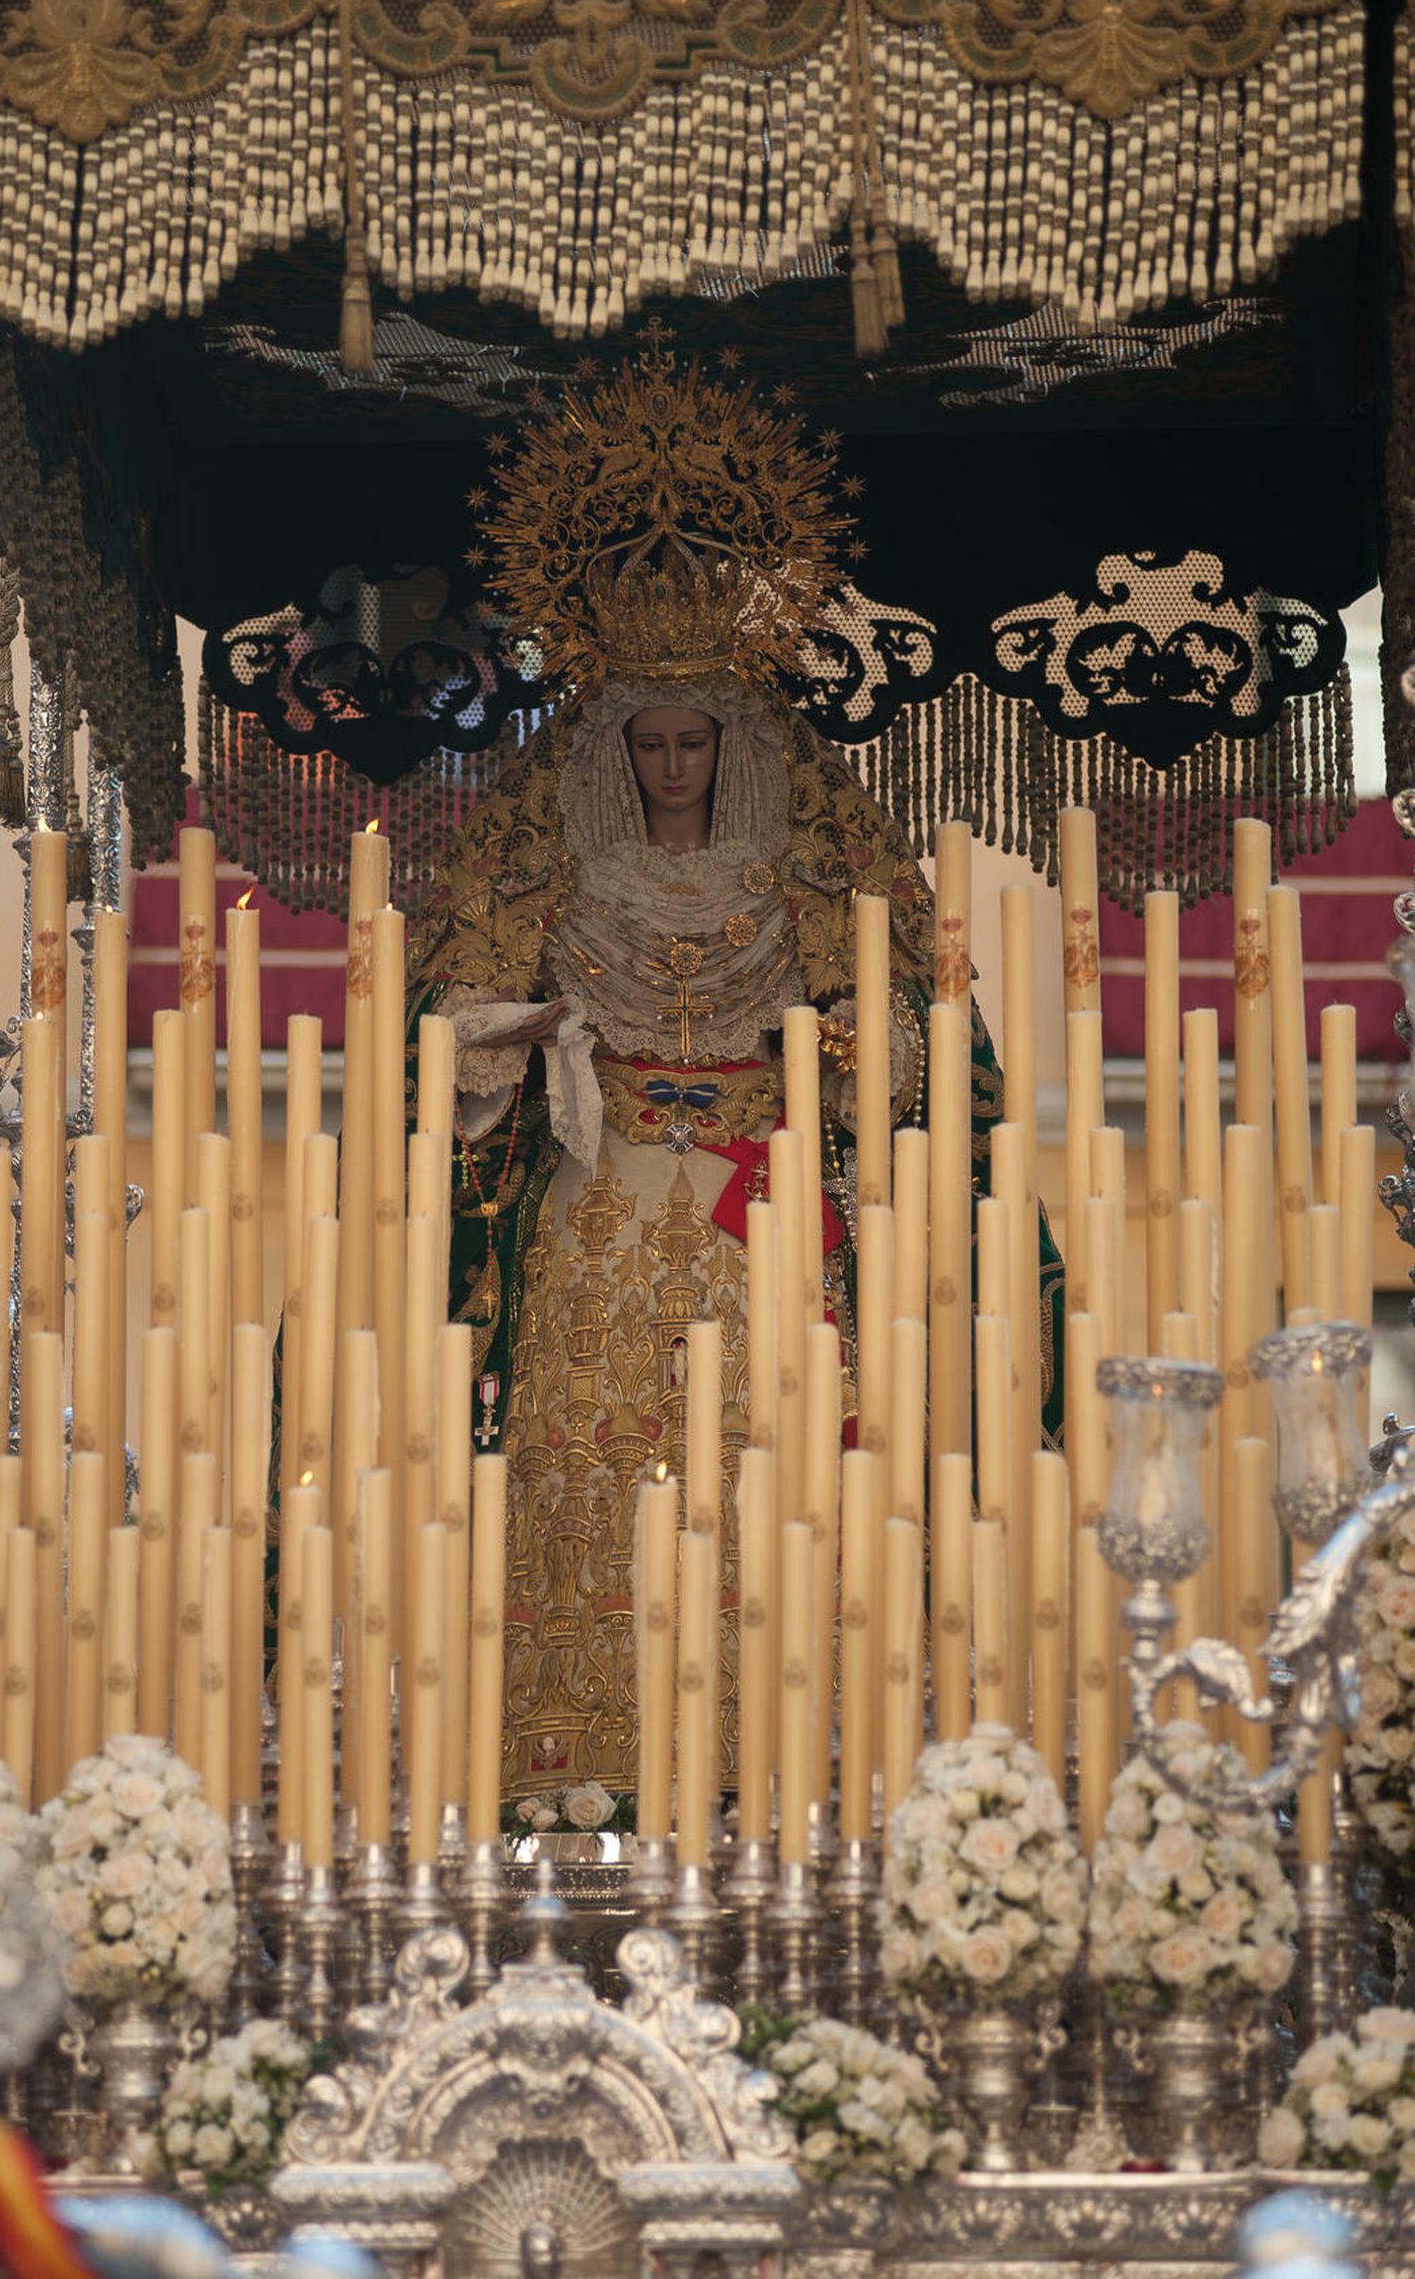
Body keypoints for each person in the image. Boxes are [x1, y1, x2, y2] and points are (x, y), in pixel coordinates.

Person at [404, 346, 1059, 1810]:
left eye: (699, 739)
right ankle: (576, 1763)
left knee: (773, 1467)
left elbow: (926, 1041)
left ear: (740, 739)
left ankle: (786, 1758)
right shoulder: (537, 848)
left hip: (765, 1220)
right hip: (595, 1197)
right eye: (652, 741)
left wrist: (829, 1050)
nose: (677, 764)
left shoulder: (824, 852)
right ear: (612, 744)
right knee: (588, 1471)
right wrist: (521, 1036)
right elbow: (438, 1025)